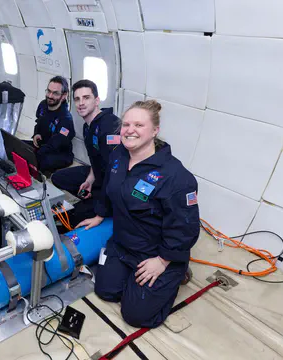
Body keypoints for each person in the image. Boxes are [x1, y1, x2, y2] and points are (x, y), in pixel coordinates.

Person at [77, 100, 199, 328]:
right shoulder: (118, 157)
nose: (129, 130)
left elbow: (186, 228)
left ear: (155, 131)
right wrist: (100, 215)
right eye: (126, 124)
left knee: (135, 316)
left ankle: (176, 273)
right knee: (106, 291)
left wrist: (163, 261)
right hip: (123, 244)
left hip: (155, 252)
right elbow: (108, 189)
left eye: (139, 125)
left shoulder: (176, 177)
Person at [51, 80, 120, 225]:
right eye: (77, 99)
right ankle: (92, 197)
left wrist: (100, 214)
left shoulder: (108, 127)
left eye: (86, 97)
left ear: (97, 101)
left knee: (70, 220)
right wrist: (89, 180)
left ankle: (101, 205)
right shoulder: (87, 127)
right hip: (99, 174)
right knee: (57, 178)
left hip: (115, 181)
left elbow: (115, 173)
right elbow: (95, 160)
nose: (81, 103)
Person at [27, 76, 75, 173]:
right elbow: (38, 122)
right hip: (42, 145)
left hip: (58, 153)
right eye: (48, 91)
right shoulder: (43, 105)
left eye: (55, 93)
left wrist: (33, 154)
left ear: (64, 95)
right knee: (17, 146)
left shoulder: (65, 119)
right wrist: (36, 134)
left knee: (38, 160)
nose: (50, 96)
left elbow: (56, 144)